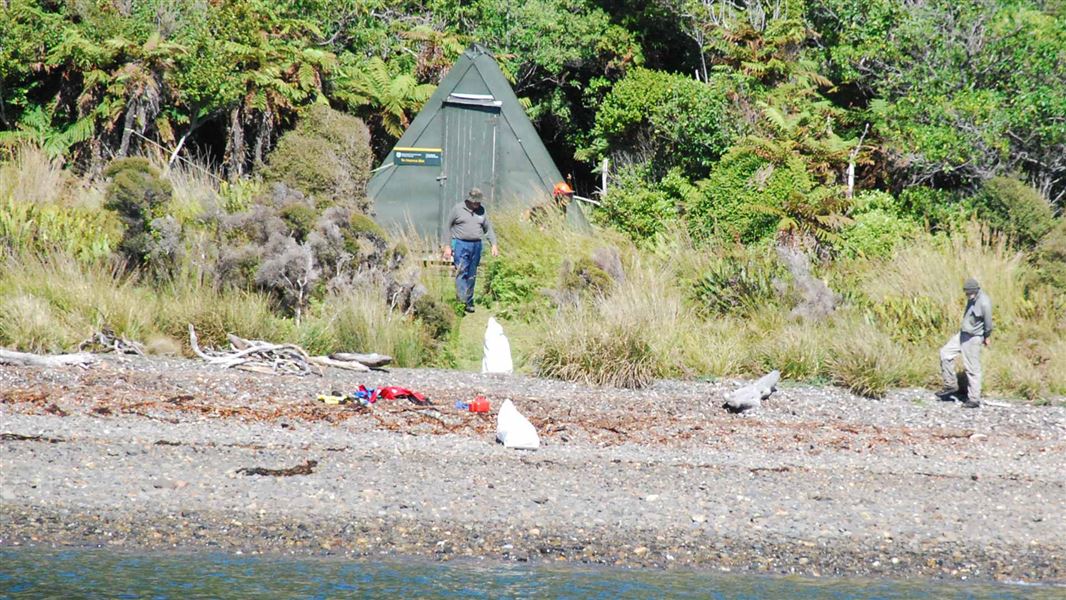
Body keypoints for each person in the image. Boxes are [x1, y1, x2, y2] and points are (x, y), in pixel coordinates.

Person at [937, 278, 993, 408]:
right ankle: (950, 385)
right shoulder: (971, 298)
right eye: (967, 293)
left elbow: (988, 324)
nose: (969, 295)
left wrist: (986, 336)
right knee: (945, 353)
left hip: (973, 338)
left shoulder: (984, 303)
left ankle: (974, 399)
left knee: (972, 368)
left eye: (970, 292)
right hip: (962, 334)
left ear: (977, 290)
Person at [442, 187, 498, 313]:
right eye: (476, 202)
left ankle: (468, 301)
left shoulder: (481, 211)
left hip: (476, 246)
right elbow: (447, 227)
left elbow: (488, 229)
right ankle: (461, 302)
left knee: (472, 274)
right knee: (461, 272)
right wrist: (447, 246)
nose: (478, 204)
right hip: (461, 244)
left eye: (479, 202)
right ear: (469, 200)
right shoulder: (458, 209)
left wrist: (493, 244)